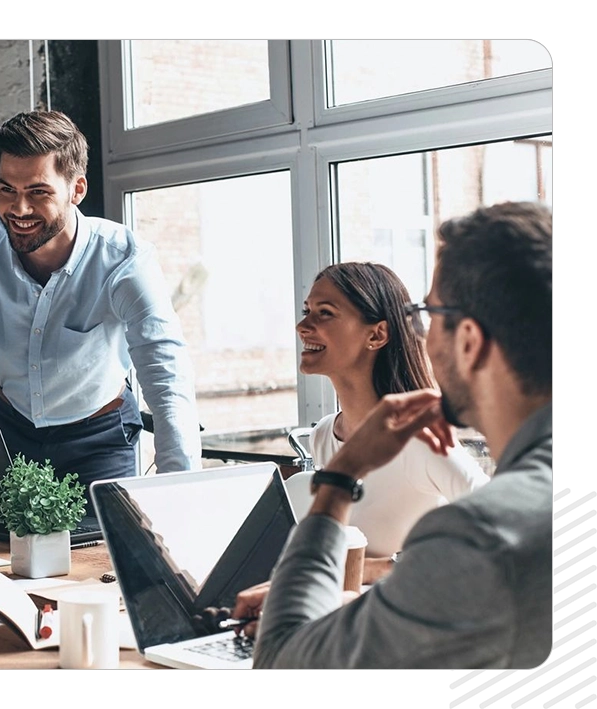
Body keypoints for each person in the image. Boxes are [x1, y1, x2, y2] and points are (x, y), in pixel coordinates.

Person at [233, 201, 552, 669]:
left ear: (468, 340)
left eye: (428, 311)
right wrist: (366, 611)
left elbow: (282, 662)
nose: (418, 330)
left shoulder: (480, 532)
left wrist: (340, 479)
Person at [0, 110, 202, 506]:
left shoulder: (123, 258)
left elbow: (165, 371)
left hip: (98, 439)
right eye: (7, 189)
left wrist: (181, 492)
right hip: (9, 431)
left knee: (105, 559)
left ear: (76, 189)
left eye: (38, 192)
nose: (19, 209)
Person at [295, 262, 490, 582]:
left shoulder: (419, 442)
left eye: (325, 313)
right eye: (307, 310)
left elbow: (506, 530)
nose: (303, 325)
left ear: (377, 334)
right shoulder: (323, 435)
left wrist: (380, 568)